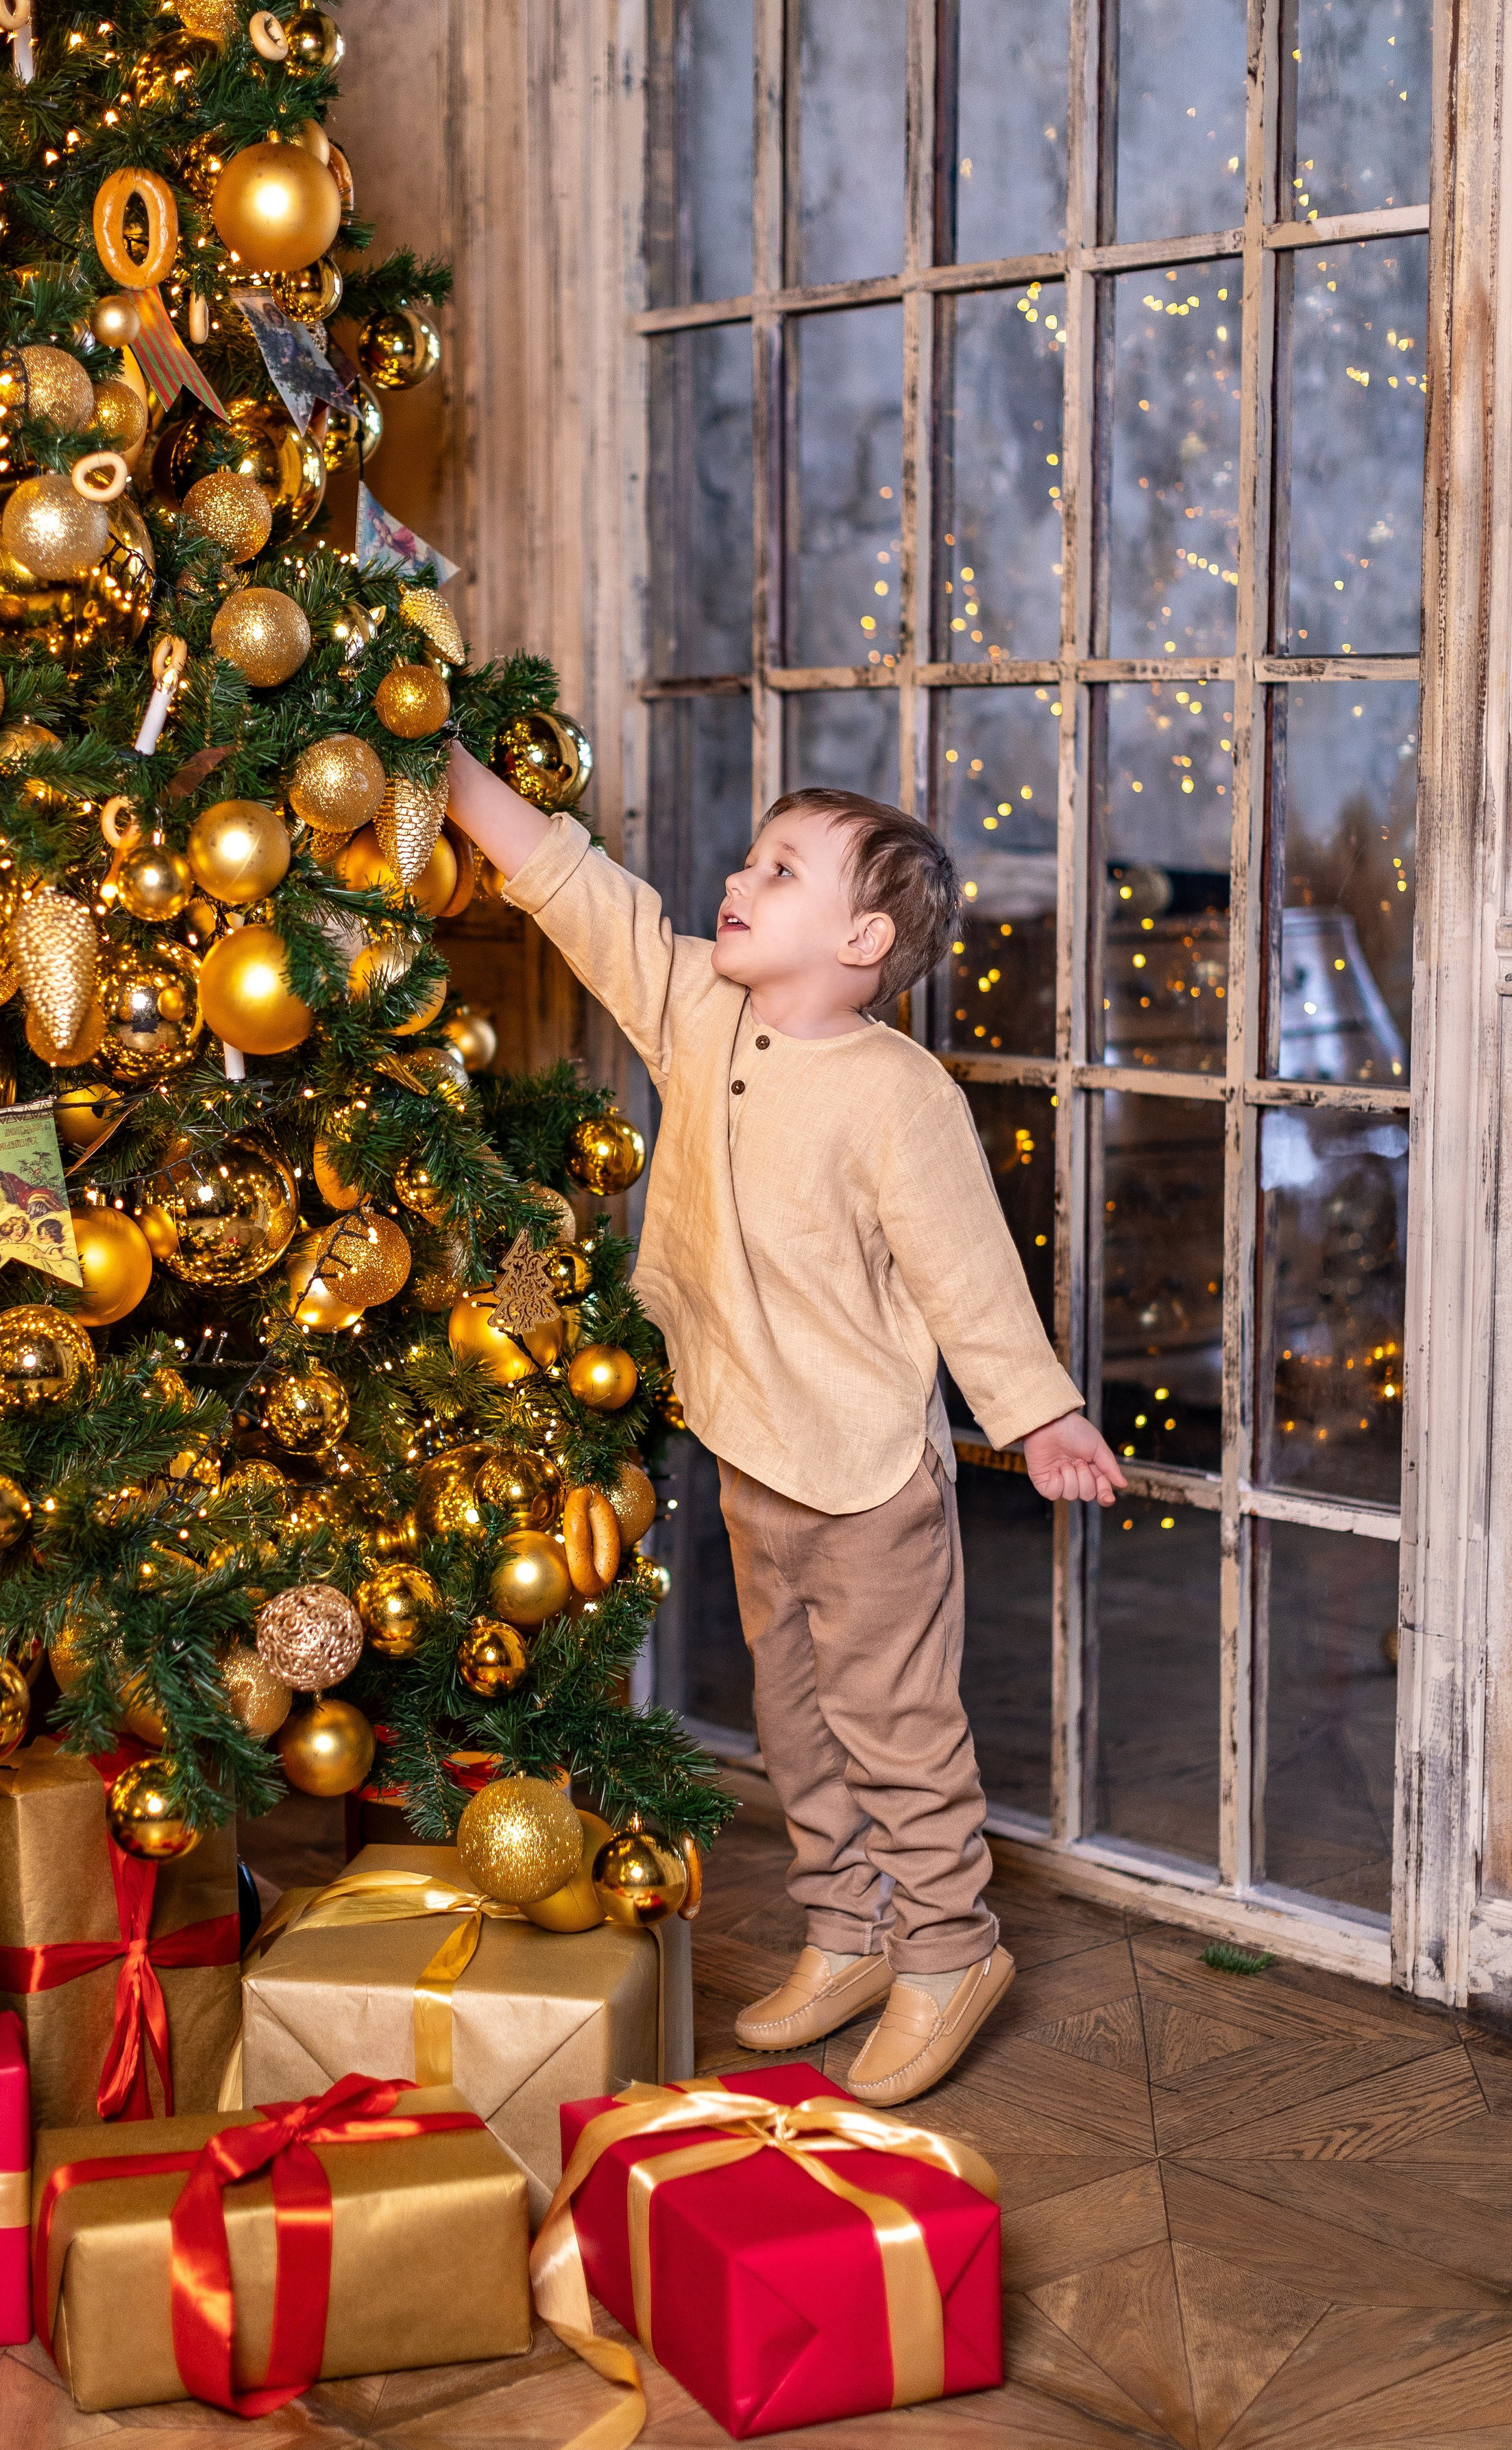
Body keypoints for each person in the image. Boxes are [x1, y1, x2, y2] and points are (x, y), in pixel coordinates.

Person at [446, 747, 1125, 2106]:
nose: (735, 882)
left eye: (777, 871)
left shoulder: (894, 1094)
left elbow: (963, 1270)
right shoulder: (699, 1006)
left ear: (861, 941)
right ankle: (846, 1933)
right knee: (797, 1724)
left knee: (892, 1724)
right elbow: (583, 895)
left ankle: (946, 1947)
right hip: (753, 1455)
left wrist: (1037, 1412)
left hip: (868, 1474)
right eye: (750, 859)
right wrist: (456, 776)